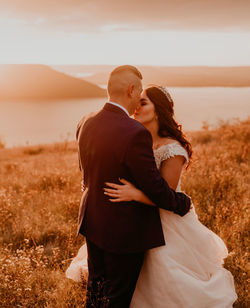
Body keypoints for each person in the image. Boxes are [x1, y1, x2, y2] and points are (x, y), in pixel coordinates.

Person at [68, 65, 191, 308]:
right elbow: (156, 188)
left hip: (93, 220)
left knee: (95, 291)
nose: (138, 100)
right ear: (131, 90)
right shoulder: (134, 132)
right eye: (140, 93)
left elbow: (88, 170)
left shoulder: (86, 121)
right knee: (118, 299)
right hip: (124, 230)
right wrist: (182, 203)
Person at [104, 86, 238, 307]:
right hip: (138, 217)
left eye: (144, 103)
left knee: (165, 274)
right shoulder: (139, 141)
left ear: (158, 111)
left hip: (167, 220)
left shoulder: (173, 149)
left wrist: (135, 194)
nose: (136, 107)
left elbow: (167, 195)